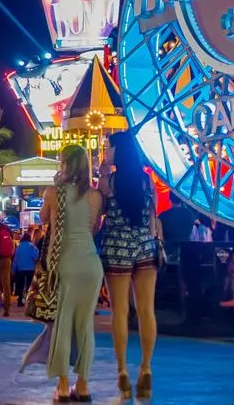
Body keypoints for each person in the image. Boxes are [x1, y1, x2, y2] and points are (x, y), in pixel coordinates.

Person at [99, 130, 159, 401]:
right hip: (145, 246)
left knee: (120, 311)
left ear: (117, 152)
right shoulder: (147, 181)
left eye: (108, 148)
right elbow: (152, 218)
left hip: (117, 248)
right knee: (147, 310)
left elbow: (100, 212)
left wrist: (101, 174)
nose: (106, 152)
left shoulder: (109, 182)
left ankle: (122, 370)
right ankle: (146, 367)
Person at [42, 144, 103, 403]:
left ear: (65, 164)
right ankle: (84, 385)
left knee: (63, 325)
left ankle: (64, 385)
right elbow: (95, 227)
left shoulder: (54, 193)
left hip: (65, 263)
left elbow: (44, 219)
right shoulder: (96, 196)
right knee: (85, 326)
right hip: (91, 264)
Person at [13, 232, 39, 308]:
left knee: (20, 285)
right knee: (29, 285)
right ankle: (28, 301)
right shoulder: (32, 246)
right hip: (30, 268)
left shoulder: (19, 246)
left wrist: (14, 269)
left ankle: (20, 300)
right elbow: (35, 256)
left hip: (20, 268)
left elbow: (15, 259)